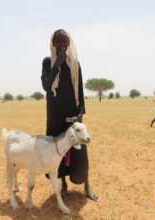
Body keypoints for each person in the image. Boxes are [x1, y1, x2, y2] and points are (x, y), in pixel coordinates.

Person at [41, 29, 99, 201]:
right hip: (55, 115)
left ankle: (87, 186)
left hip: (73, 115)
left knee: (80, 150)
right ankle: (63, 184)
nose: (62, 45)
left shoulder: (75, 63)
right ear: (53, 43)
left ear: (69, 43)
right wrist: (56, 65)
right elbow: (46, 85)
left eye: (65, 42)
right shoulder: (47, 62)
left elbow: (79, 88)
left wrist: (81, 111)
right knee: (58, 150)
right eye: (59, 41)